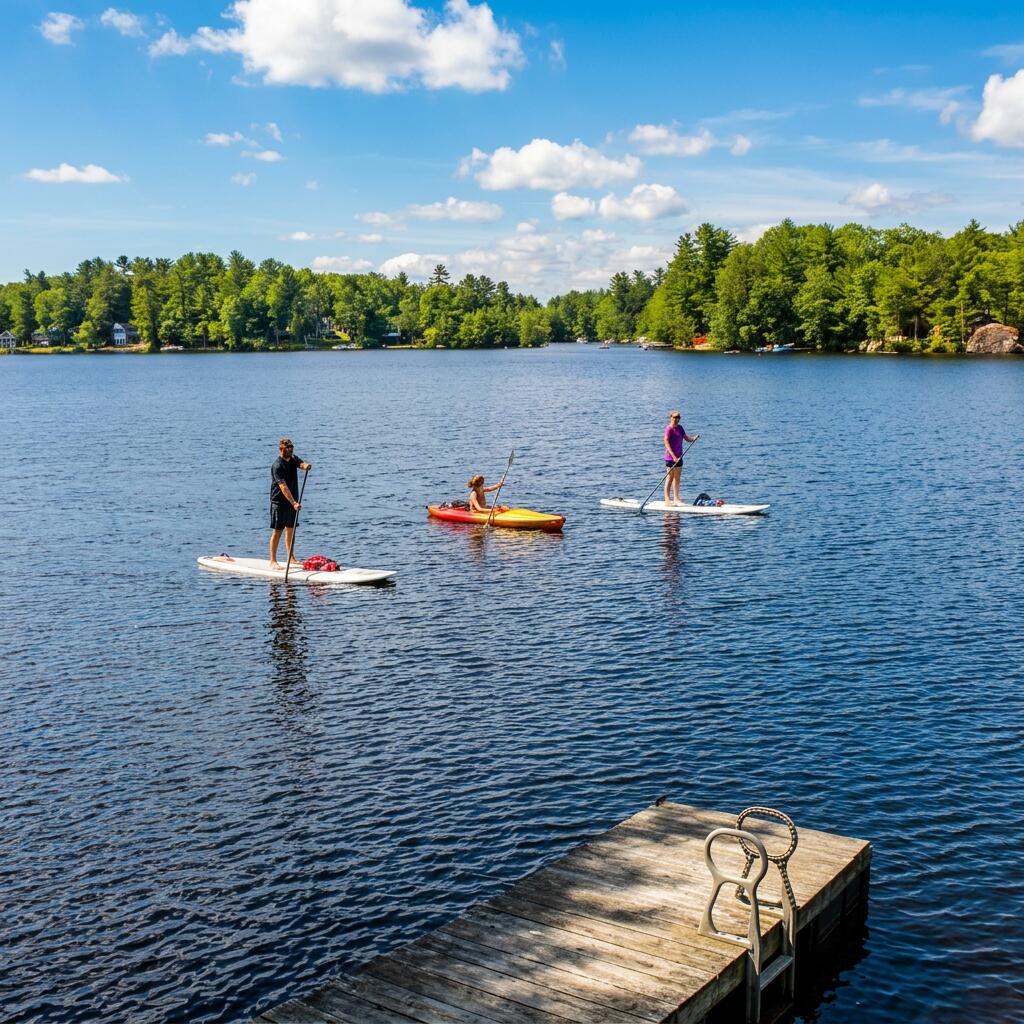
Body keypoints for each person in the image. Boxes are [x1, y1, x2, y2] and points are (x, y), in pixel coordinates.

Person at [270, 438, 312, 568]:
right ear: (281, 449)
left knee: (291, 529)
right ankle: (273, 561)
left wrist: (305, 466)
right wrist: (293, 502)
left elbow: (300, 464)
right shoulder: (277, 466)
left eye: (292, 447)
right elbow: (283, 487)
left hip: (293, 502)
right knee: (278, 531)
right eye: (288, 448)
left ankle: (291, 557)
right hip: (279, 502)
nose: (291, 449)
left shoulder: (293, 459)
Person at [663, 411, 699, 505]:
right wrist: (674, 457)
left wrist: (693, 439)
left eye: (678, 417)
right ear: (671, 417)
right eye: (675, 417)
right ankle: (667, 499)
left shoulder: (680, 428)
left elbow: (687, 438)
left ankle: (676, 498)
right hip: (670, 458)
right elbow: (666, 443)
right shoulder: (669, 429)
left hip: (680, 456)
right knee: (670, 478)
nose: (676, 419)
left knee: (677, 478)